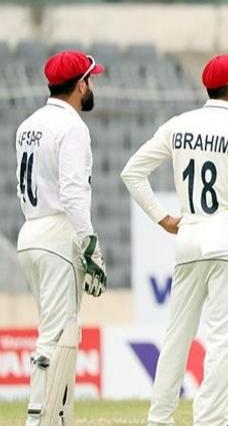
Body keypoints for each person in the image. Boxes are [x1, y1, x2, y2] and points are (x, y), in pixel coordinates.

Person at [121, 54, 228, 426]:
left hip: (190, 233)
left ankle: (159, 417)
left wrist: (162, 218)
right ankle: (211, 419)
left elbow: (133, 171)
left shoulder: (181, 124)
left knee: (178, 335)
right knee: (225, 338)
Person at [16, 50, 107, 426]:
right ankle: (39, 419)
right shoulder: (72, 127)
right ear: (79, 84)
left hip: (31, 232)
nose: (93, 86)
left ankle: (60, 417)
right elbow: (72, 193)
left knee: (61, 331)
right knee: (56, 334)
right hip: (57, 233)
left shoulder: (28, 124)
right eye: (91, 79)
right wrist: (90, 246)